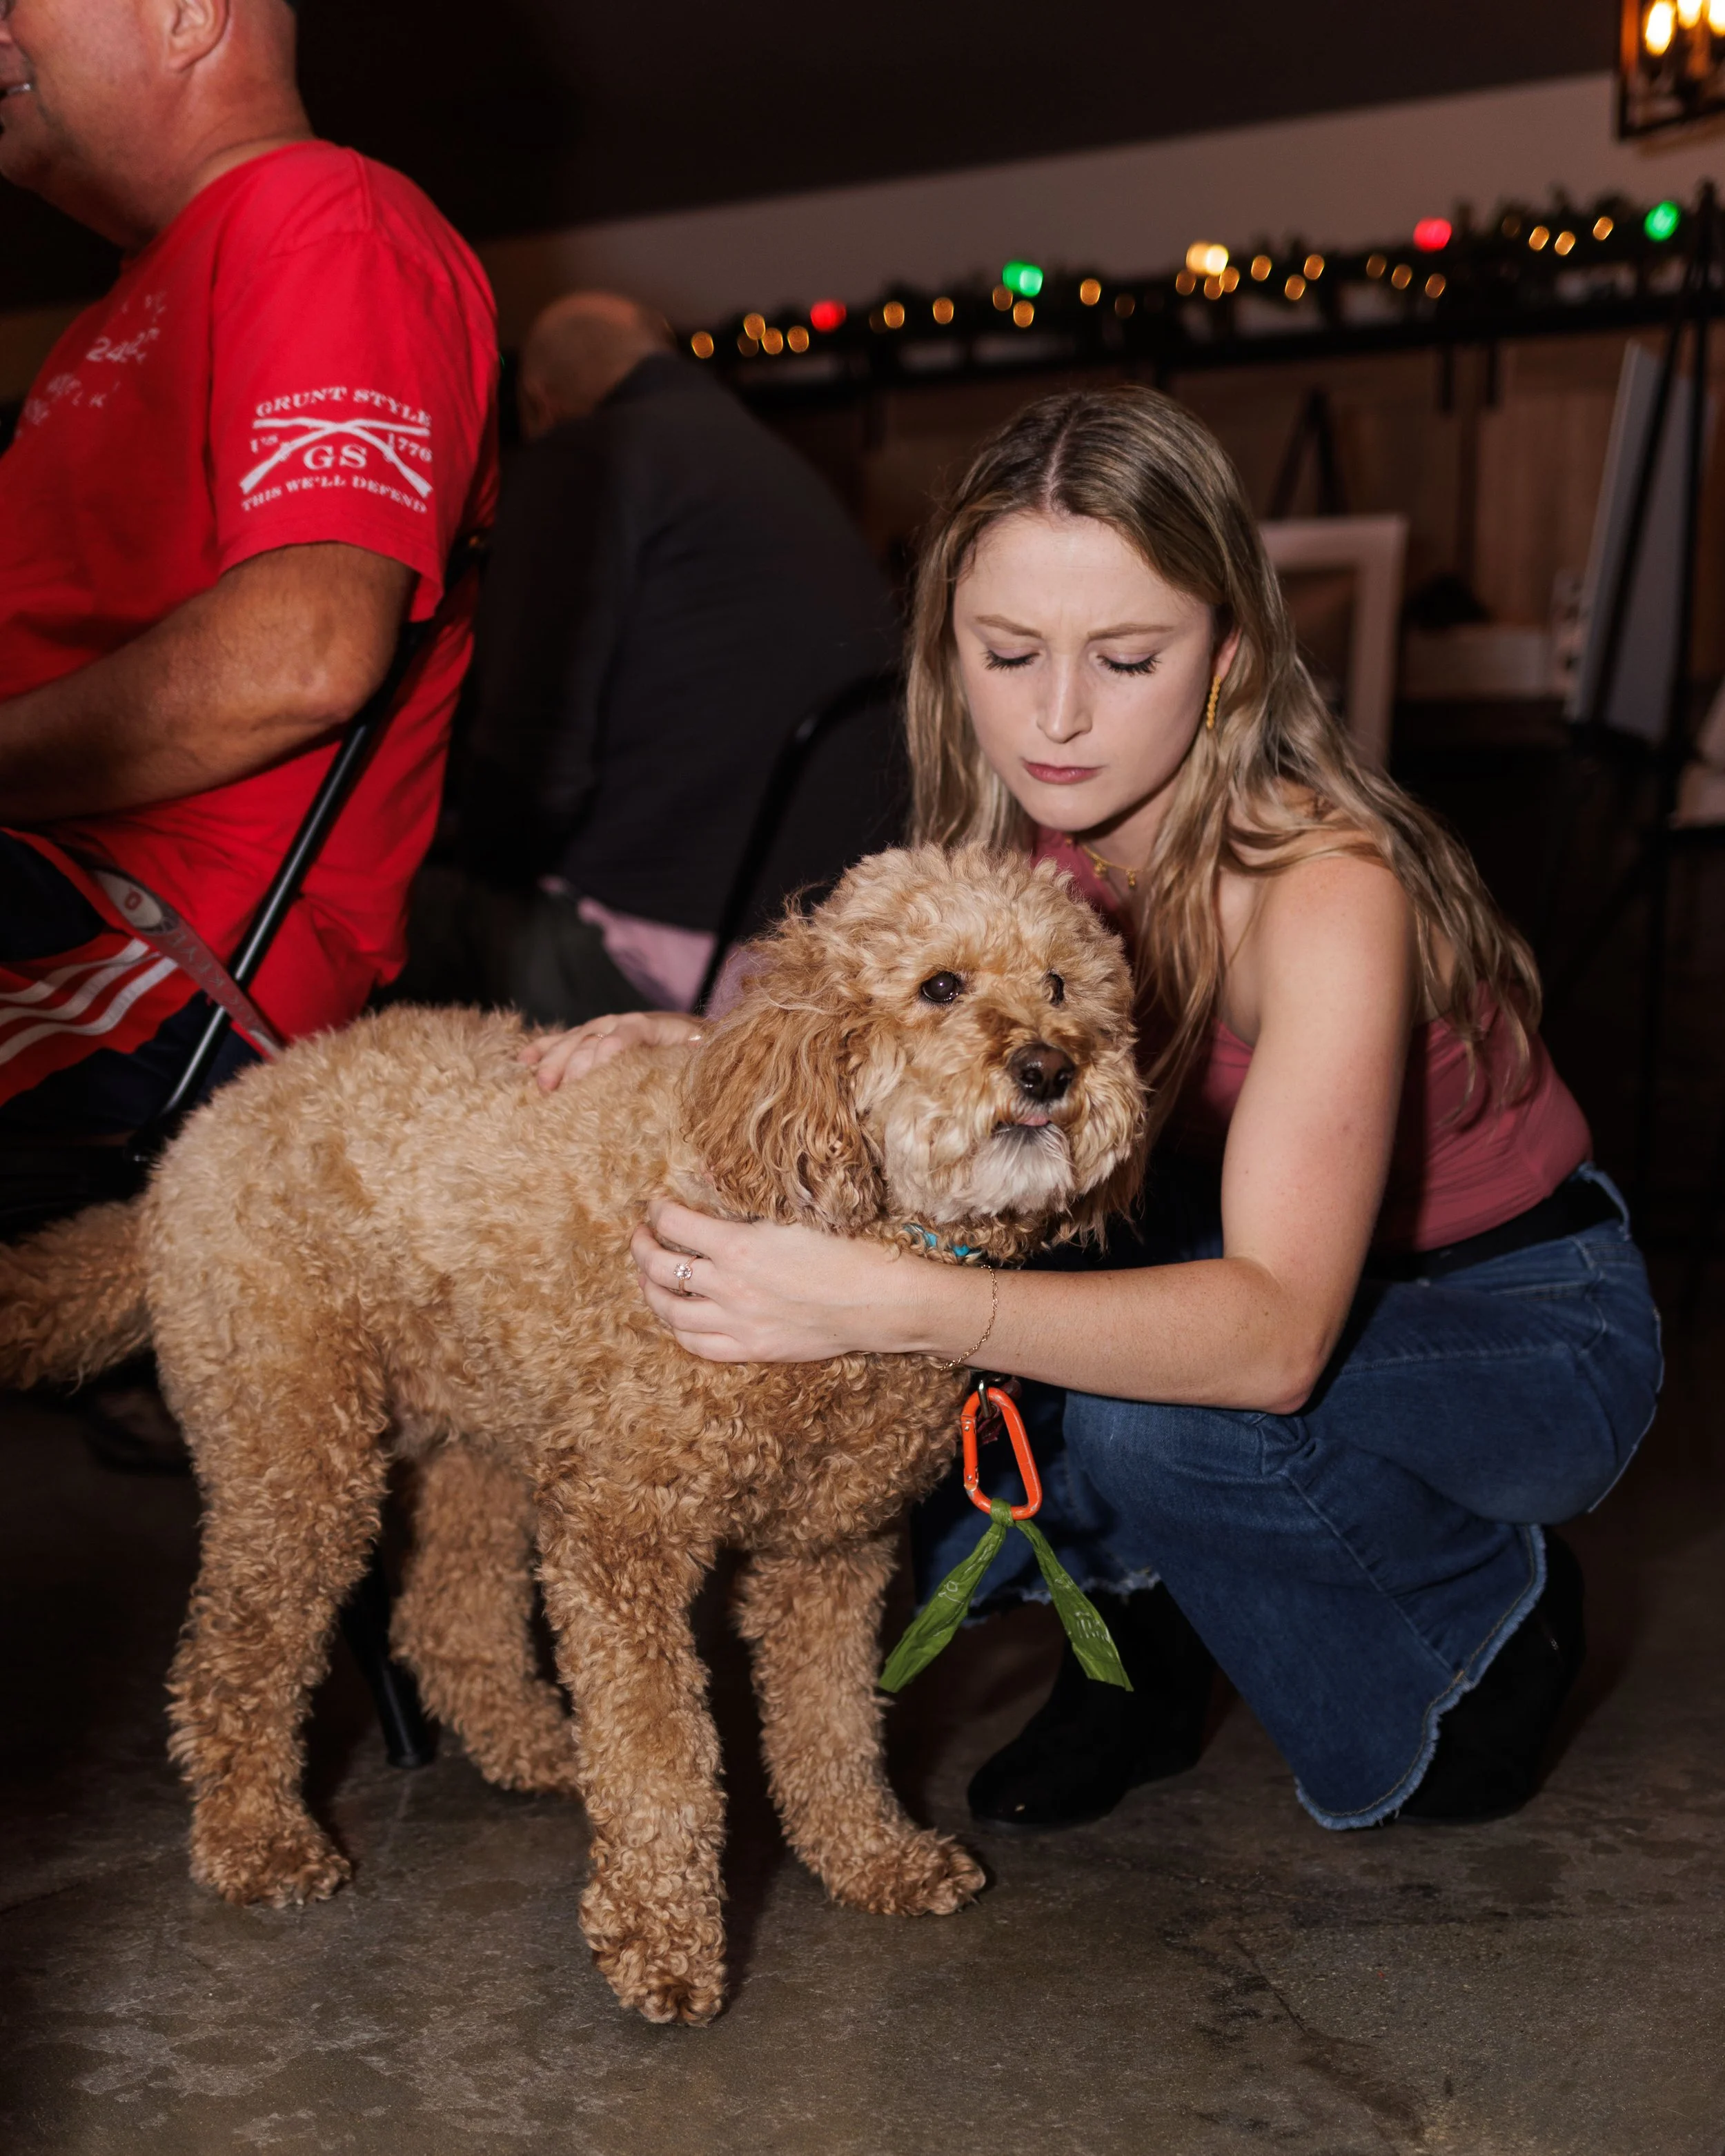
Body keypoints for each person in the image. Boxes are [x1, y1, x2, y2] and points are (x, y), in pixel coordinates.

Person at [528, 386, 1664, 1834]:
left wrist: (884, 1297)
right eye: (1007, 653)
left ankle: (1485, 1618)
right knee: (966, 1254)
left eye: (1125, 658)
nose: (1055, 718)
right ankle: (1144, 1634)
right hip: (1216, 1243)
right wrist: (710, 1039)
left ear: (1224, 661)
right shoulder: (1022, 818)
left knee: (1143, 1418)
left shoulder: (1321, 890)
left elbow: (1268, 1333)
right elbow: (937, 1019)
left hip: (1512, 1322)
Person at [0, 0, 497, 1165]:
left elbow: (303, 653)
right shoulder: (113, 313)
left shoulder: (327, 218)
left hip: (168, 950)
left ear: (184, 16)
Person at [441, 288, 900, 1023]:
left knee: (404, 910)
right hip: (827, 946)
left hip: (676, 960)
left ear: (538, 401)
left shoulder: (582, 457)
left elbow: (530, 761)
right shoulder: (777, 461)